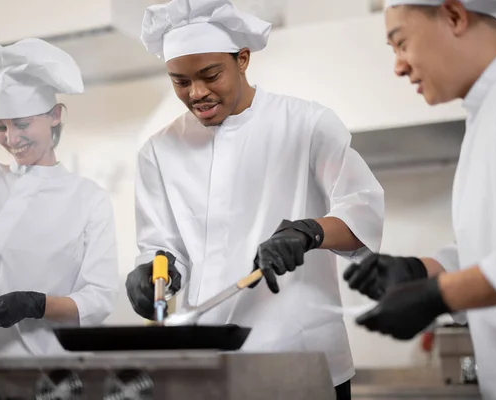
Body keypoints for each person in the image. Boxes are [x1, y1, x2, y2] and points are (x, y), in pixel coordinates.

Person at [124, 0, 384, 397]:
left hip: (302, 356)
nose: (197, 93)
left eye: (210, 75)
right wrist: (150, 274)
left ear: (242, 59)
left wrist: (309, 232)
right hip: (208, 361)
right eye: (180, 81)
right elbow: (160, 249)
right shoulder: (158, 152)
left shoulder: (307, 125)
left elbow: (363, 210)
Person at [343, 0, 496, 399]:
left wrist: (439, 295)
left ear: (455, 16)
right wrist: (419, 272)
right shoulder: (486, 113)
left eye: (401, 43)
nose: (398, 66)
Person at [0, 38, 120, 356]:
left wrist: (37, 304)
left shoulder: (88, 199)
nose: (12, 138)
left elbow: (99, 299)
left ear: (55, 115)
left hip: (45, 364)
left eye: (21, 124)